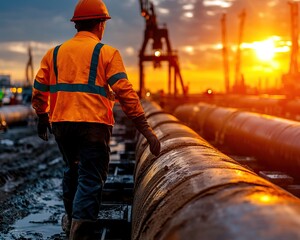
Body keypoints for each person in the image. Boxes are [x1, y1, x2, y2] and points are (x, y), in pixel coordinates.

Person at [31, 0, 161, 239]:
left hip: (61, 125)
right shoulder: (107, 53)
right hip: (93, 127)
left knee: (72, 170)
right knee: (91, 176)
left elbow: (39, 90)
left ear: (76, 25)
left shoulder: (54, 53)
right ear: (101, 24)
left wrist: (42, 116)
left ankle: (72, 220)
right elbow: (125, 92)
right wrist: (146, 129)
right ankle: (80, 231)